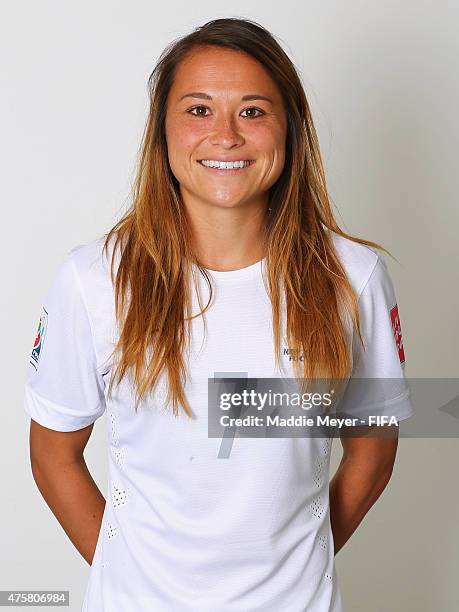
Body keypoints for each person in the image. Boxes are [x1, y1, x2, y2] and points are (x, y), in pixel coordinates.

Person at [22, 17, 413, 612]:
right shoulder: (95, 279)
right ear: (162, 132)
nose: (225, 135)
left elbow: (374, 448)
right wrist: (127, 573)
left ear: (291, 129)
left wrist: (299, 568)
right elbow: (53, 454)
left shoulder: (352, 278)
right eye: (199, 110)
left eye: (253, 111)